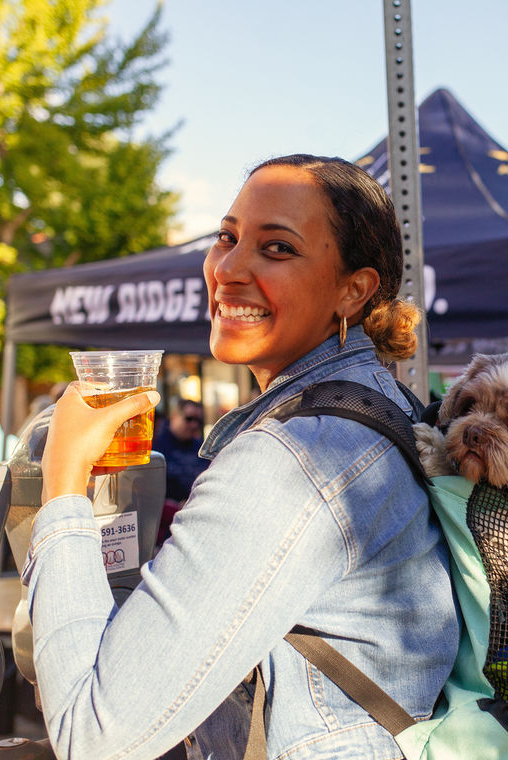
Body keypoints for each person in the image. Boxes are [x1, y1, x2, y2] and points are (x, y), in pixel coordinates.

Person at [26, 154, 460, 759]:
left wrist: (64, 484)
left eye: (276, 248)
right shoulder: (384, 402)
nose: (228, 269)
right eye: (226, 238)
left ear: (353, 290)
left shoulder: (298, 456)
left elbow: (95, 736)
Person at [153, 399, 209, 545]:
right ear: (174, 416)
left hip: (197, 524)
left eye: (198, 420)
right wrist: (174, 507)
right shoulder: (156, 448)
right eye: (189, 418)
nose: (194, 425)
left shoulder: (202, 448)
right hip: (164, 531)